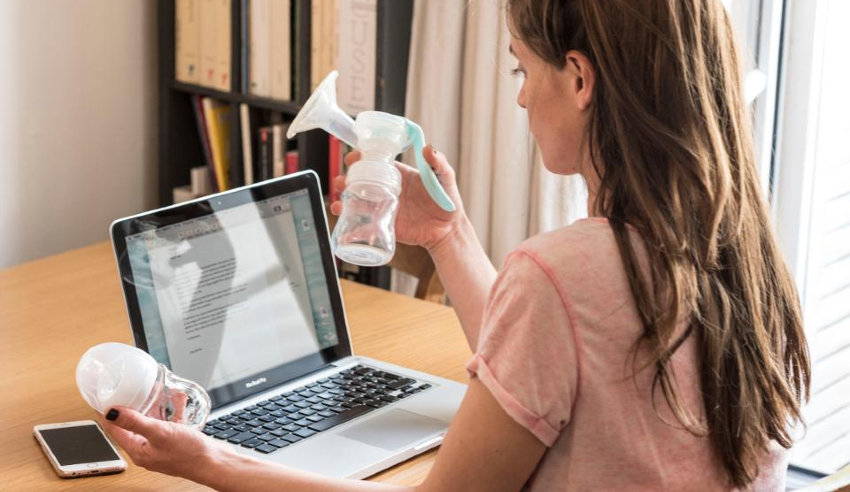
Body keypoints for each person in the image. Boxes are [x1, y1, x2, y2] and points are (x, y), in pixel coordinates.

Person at [101, 0, 811, 490]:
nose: (521, 98)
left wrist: (213, 462)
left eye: (522, 70)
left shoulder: (562, 272)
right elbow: (556, 351)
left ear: (580, 79)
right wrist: (448, 233)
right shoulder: (741, 257)